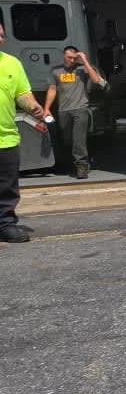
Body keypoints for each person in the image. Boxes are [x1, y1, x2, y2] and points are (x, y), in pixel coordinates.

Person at [0, 21, 47, 242]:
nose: (0, 39)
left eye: (1, 35)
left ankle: (5, 224)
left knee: (7, 186)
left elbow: (22, 94)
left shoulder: (12, 64)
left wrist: (33, 106)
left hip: (5, 137)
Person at [44, 45, 107, 179]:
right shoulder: (56, 71)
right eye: (69, 57)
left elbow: (96, 80)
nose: (72, 60)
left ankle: (82, 166)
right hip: (64, 110)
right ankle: (71, 164)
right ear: (64, 55)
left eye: (74, 58)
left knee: (79, 139)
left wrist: (84, 61)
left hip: (80, 109)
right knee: (68, 139)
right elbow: (52, 89)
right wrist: (46, 108)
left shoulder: (82, 69)